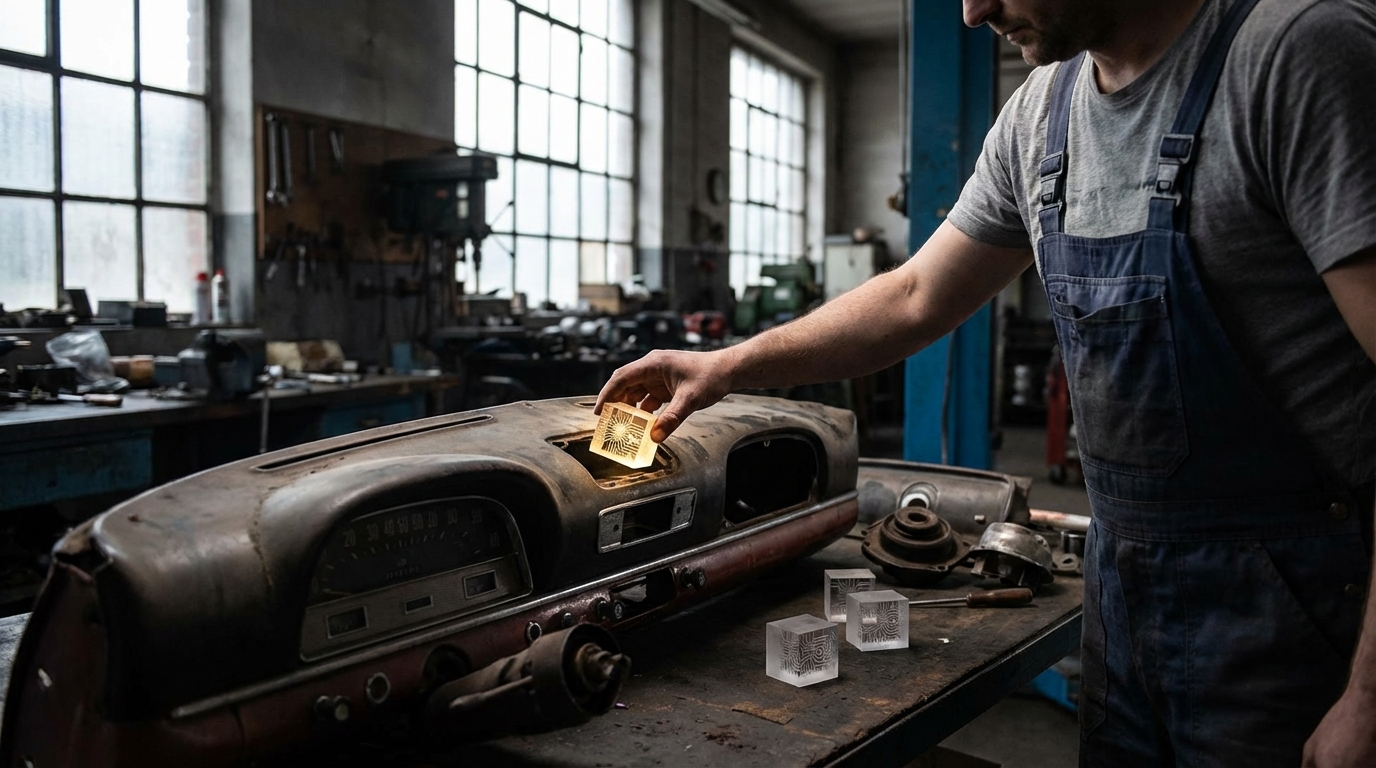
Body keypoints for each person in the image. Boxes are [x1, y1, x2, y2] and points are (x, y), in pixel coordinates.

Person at [596, 0, 1376, 764]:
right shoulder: (1041, 113)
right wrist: (728, 365)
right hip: (1123, 593)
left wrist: (1369, 697)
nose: (972, 13)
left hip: (1297, 617)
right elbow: (914, 296)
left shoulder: (1295, 57)